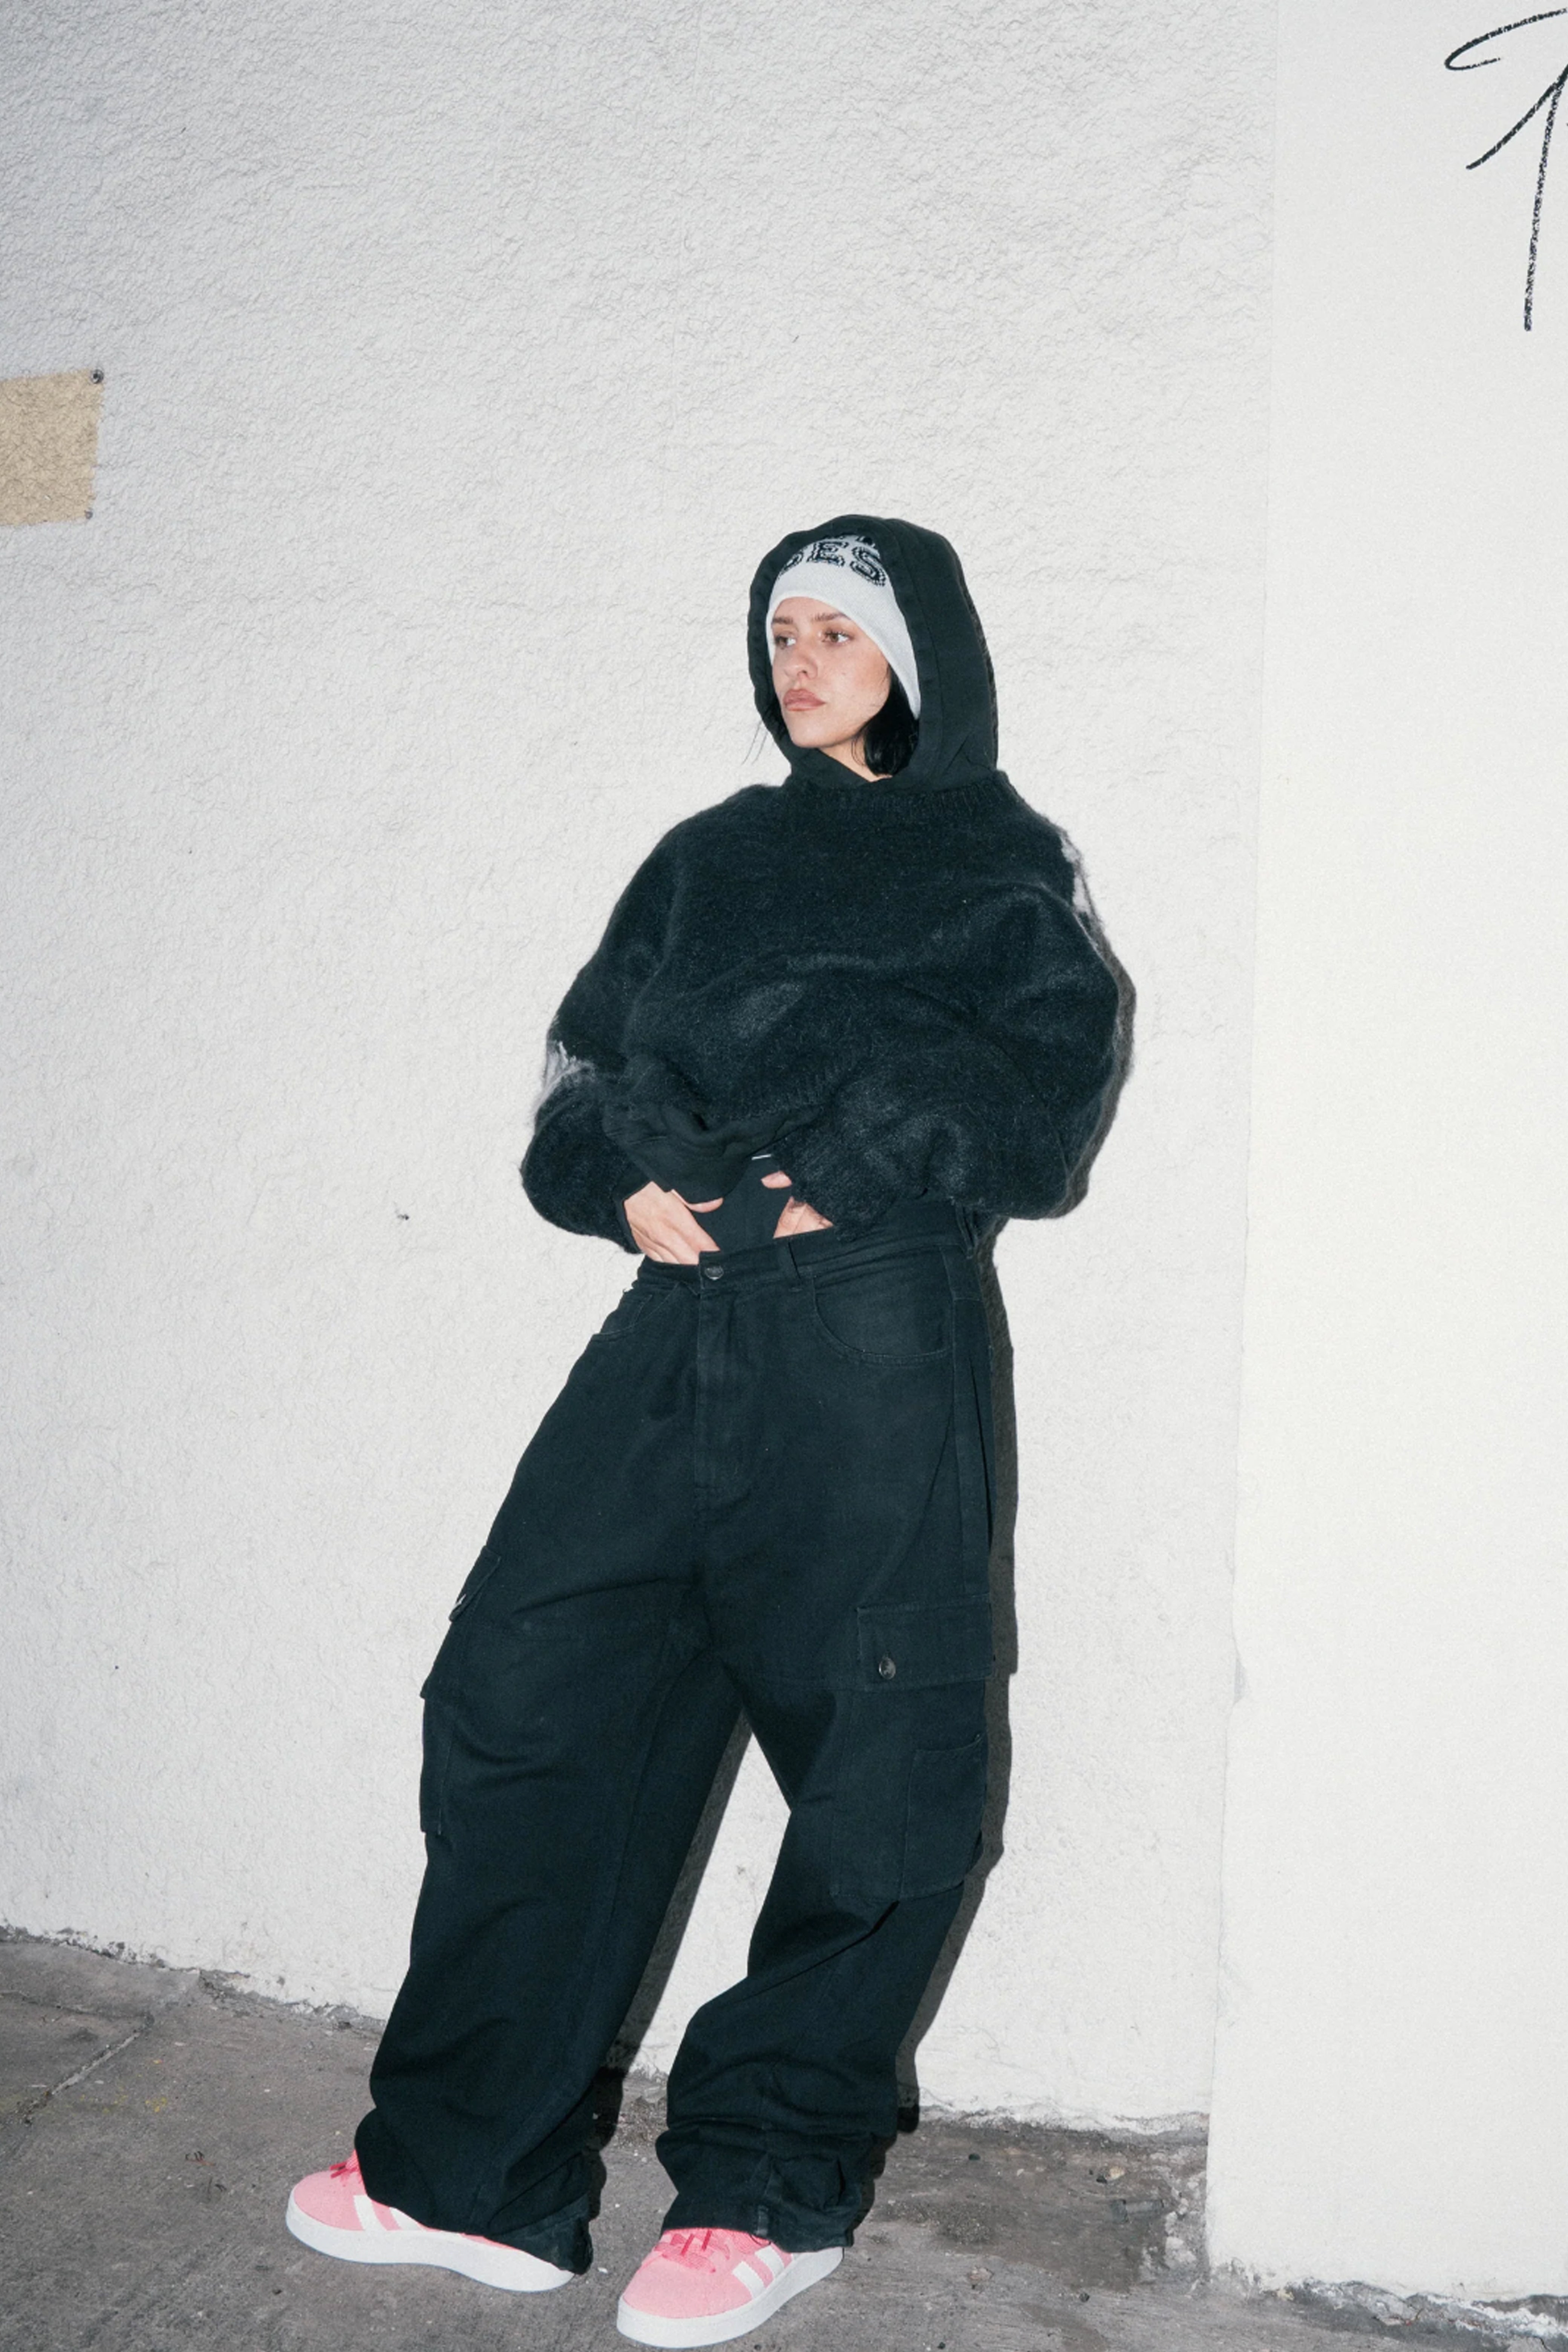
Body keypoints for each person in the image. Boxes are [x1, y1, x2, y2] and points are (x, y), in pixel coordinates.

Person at [285, 515, 1121, 2347]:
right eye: (780, 630)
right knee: (526, 1691)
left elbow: (1044, 1091)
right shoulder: (708, 857)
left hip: (868, 1318)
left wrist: (835, 1176)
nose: (798, 658)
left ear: (920, 657)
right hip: (674, 1321)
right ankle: (472, 2173)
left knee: (878, 1753)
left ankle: (763, 2190)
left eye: (837, 629)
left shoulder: (998, 861)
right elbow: (585, 1066)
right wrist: (617, 1179)